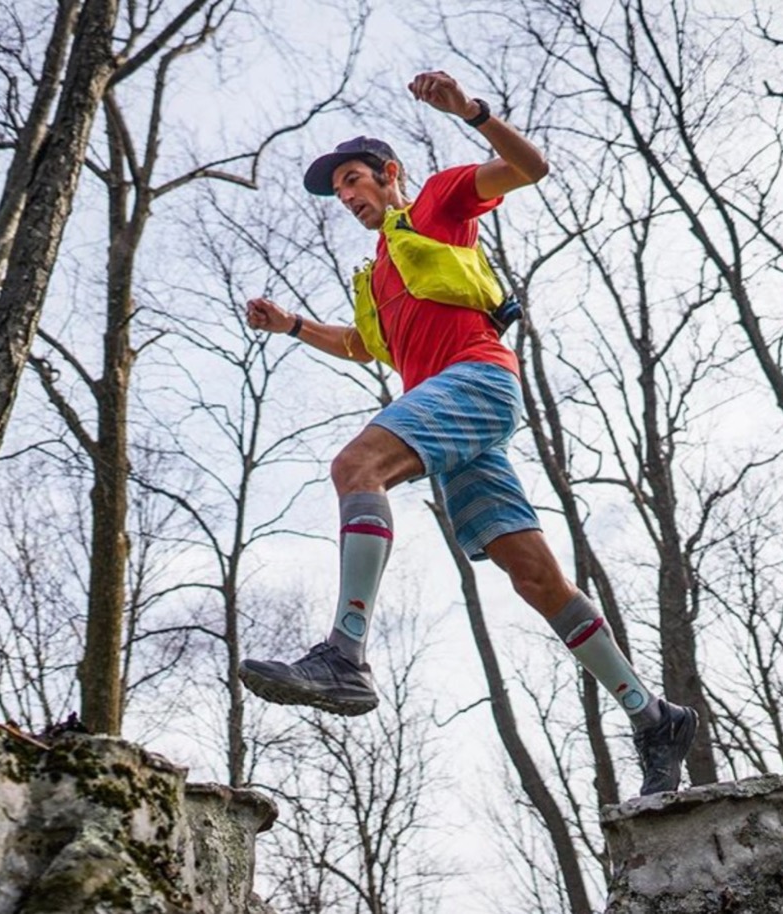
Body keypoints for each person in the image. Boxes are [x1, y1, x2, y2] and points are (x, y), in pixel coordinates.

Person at [236, 71, 698, 798]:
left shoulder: (436, 203)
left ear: (389, 174)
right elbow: (365, 347)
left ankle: (345, 655)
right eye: (340, 193)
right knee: (535, 578)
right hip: (457, 420)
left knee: (357, 466)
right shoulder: (381, 270)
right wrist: (292, 325)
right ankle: (653, 716)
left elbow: (530, 169)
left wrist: (473, 112)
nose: (350, 197)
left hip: (478, 382)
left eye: (355, 180)